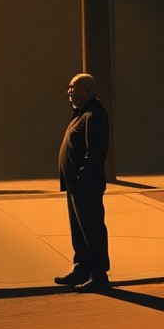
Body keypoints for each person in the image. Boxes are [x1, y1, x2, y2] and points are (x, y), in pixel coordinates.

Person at [54, 72, 111, 291]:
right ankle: (82, 268)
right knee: (79, 230)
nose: (69, 91)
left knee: (92, 229)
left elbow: (95, 153)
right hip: (76, 187)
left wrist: (81, 178)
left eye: (73, 88)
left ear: (85, 90)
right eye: (69, 87)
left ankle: (99, 276)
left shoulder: (94, 115)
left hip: (86, 186)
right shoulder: (81, 113)